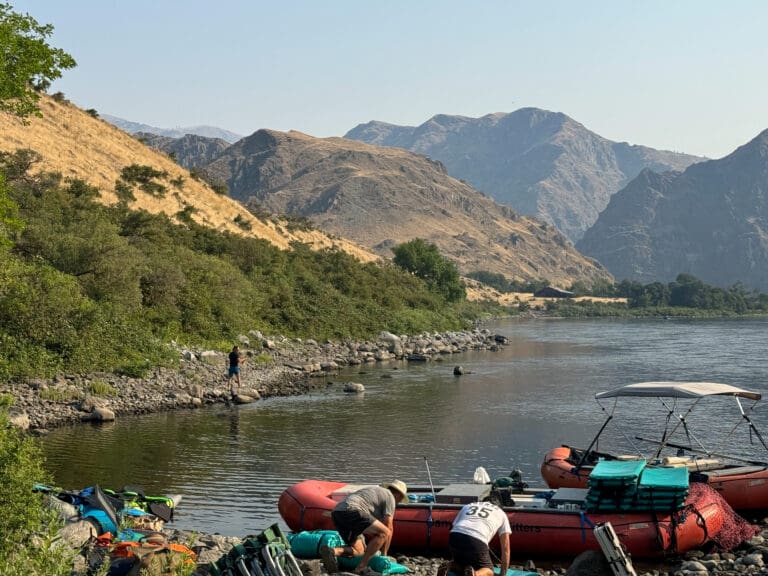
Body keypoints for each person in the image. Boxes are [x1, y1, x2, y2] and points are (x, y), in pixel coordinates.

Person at [320, 480, 408, 575]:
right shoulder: (390, 496)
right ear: (399, 495)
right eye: (400, 499)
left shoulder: (375, 491)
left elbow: (365, 522)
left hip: (337, 513)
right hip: (352, 510)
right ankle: (361, 567)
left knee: (359, 551)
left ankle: (333, 551)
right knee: (384, 533)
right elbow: (389, 526)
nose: (398, 502)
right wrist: (384, 554)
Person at [442, 501, 511, 576]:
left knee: (462, 565)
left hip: (455, 535)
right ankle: (475, 574)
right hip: (477, 538)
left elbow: (452, 527)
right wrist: (503, 574)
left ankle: (450, 566)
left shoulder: (468, 505)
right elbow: (506, 548)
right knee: (489, 570)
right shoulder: (501, 513)